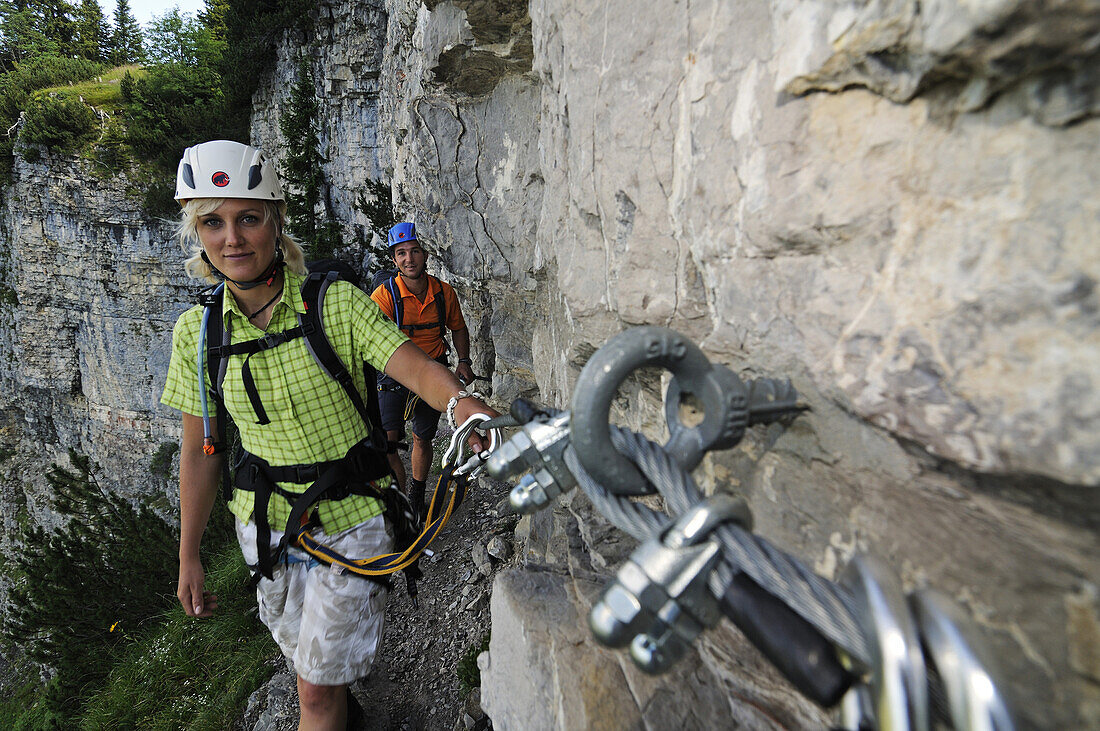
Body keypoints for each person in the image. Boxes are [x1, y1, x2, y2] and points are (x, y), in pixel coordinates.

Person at [160, 140, 496, 731]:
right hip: (267, 527)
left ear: (274, 223)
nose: (232, 238)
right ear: (199, 235)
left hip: (352, 521)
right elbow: (199, 449)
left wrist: (461, 403)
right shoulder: (198, 332)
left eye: (248, 218)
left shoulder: (331, 304)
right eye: (213, 222)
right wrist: (189, 555)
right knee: (306, 667)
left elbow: (411, 364)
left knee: (313, 692)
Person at [369, 222, 476, 519]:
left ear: (426, 254)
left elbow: (458, 327)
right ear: (394, 260)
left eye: (415, 250)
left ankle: (416, 493)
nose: (409, 259)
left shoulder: (443, 292)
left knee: (422, 436)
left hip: (433, 368)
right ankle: (399, 500)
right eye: (401, 253)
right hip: (395, 371)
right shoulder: (383, 296)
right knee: (390, 441)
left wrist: (464, 361)